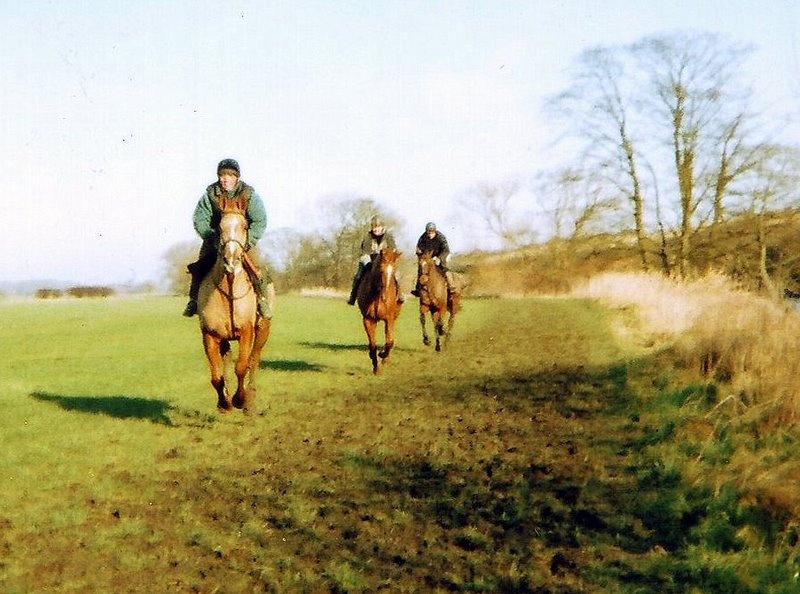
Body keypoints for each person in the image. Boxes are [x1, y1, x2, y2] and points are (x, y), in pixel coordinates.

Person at [183, 158, 275, 319]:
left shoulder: (249, 195)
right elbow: (200, 219)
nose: (225, 179)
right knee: (199, 267)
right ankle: (194, 301)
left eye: (230, 176)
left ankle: (262, 300)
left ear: (237, 178)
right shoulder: (210, 195)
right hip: (215, 240)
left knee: (258, 268)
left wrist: (248, 241)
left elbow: (260, 220)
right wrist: (211, 237)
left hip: (243, 241)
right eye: (222, 175)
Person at [347, 215, 405, 305]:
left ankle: (400, 294)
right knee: (358, 275)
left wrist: (387, 259)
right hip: (370, 260)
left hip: (385, 261)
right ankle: (353, 296)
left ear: (382, 227)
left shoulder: (388, 237)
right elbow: (365, 252)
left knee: (396, 274)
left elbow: (393, 250)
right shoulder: (368, 237)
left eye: (378, 227)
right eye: (374, 227)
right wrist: (372, 261)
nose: (376, 229)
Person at [412, 221, 453, 296]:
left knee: (443, 267)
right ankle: (417, 288)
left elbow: (446, 250)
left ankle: (450, 286)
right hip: (428, 257)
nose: (430, 235)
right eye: (428, 233)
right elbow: (419, 248)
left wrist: (438, 258)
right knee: (421, 269)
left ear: (435, 232)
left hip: (440, 255)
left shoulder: (441, 237)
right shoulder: (423, 237)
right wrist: (420, 254)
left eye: (431, 233)